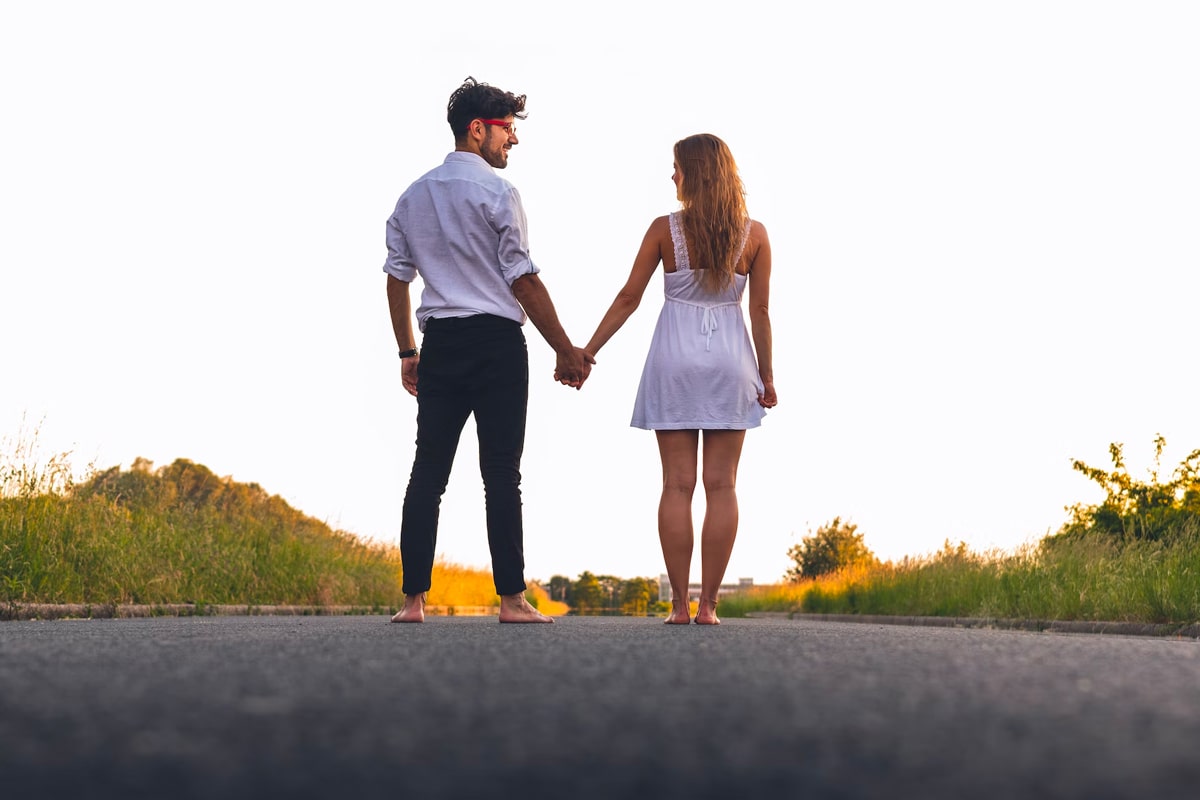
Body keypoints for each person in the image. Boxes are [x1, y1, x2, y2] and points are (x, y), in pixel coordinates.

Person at [383, 77, 593, 624]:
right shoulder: (500, 194)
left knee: (427, 470)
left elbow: (396, 279)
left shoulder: (413, 195)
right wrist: (566, 350)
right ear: (477, 129)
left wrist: (408, 351)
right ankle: (511, 601)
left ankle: (412, 602)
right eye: (507, 130)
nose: (513, 141)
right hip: (497, 344)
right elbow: (522, 280)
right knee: (501, 473)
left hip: (442, 344)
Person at [581, 133, 776, 625]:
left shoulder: (664, 230)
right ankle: (709, 605)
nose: (672, 175)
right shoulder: (754, 235)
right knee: (723, 486)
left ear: (694, 171)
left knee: (676, 486)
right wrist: (767, 377)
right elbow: (760, 311)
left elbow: (629, 297)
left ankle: (679, 606)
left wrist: (587, 351)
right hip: (731, 360)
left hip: (674, 360)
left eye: (676, 167)